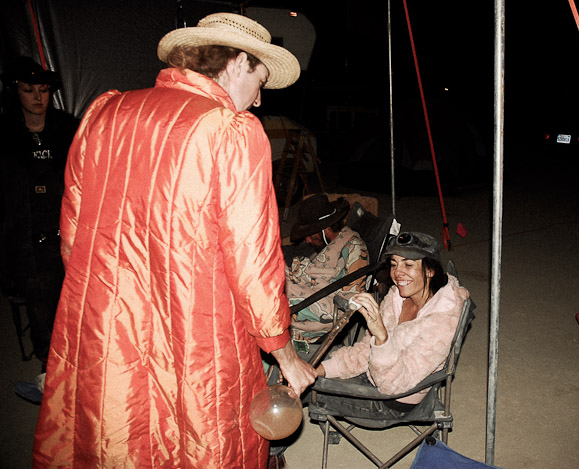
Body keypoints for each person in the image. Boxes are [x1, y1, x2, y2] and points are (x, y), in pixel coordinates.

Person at [32, 13, 316, 468]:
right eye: (260, 81)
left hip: (106, 325)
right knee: (197, 441)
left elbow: (73, 235)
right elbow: (253, 262)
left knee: (114, 437)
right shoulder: (231, 131)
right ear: (238, 62)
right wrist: (284, 352)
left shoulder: (104, 112)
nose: (259, 100)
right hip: (197, 332)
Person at [315, 231, 470, 413]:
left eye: (408, 264)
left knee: (309, 391)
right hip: (376, 374)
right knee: (306, 363)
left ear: (430, 270)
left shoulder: (443, 319)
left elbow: (393, 384)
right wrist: (320, 370)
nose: (398, 273)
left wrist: (381, 335)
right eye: (394, 264)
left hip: (395, 398)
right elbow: (366, 350)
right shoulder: (396, 297)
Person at [0, 56, 79, 403]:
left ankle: (82, 371)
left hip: (68, 234)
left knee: (76, 304)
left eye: (43, 90)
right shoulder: (4, 134)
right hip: (26, 240)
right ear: (15, 91)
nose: (37, 97)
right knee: (41, 305)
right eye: (28, 89)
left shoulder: (67, 128)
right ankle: (49, 376)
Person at [286, 193, 369, 344]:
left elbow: (349, 300)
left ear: (325, 229)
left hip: (325, 305)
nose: (307, 240)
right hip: (311, 288)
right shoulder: (333, 243)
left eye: (310, 234)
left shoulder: (354, 249)